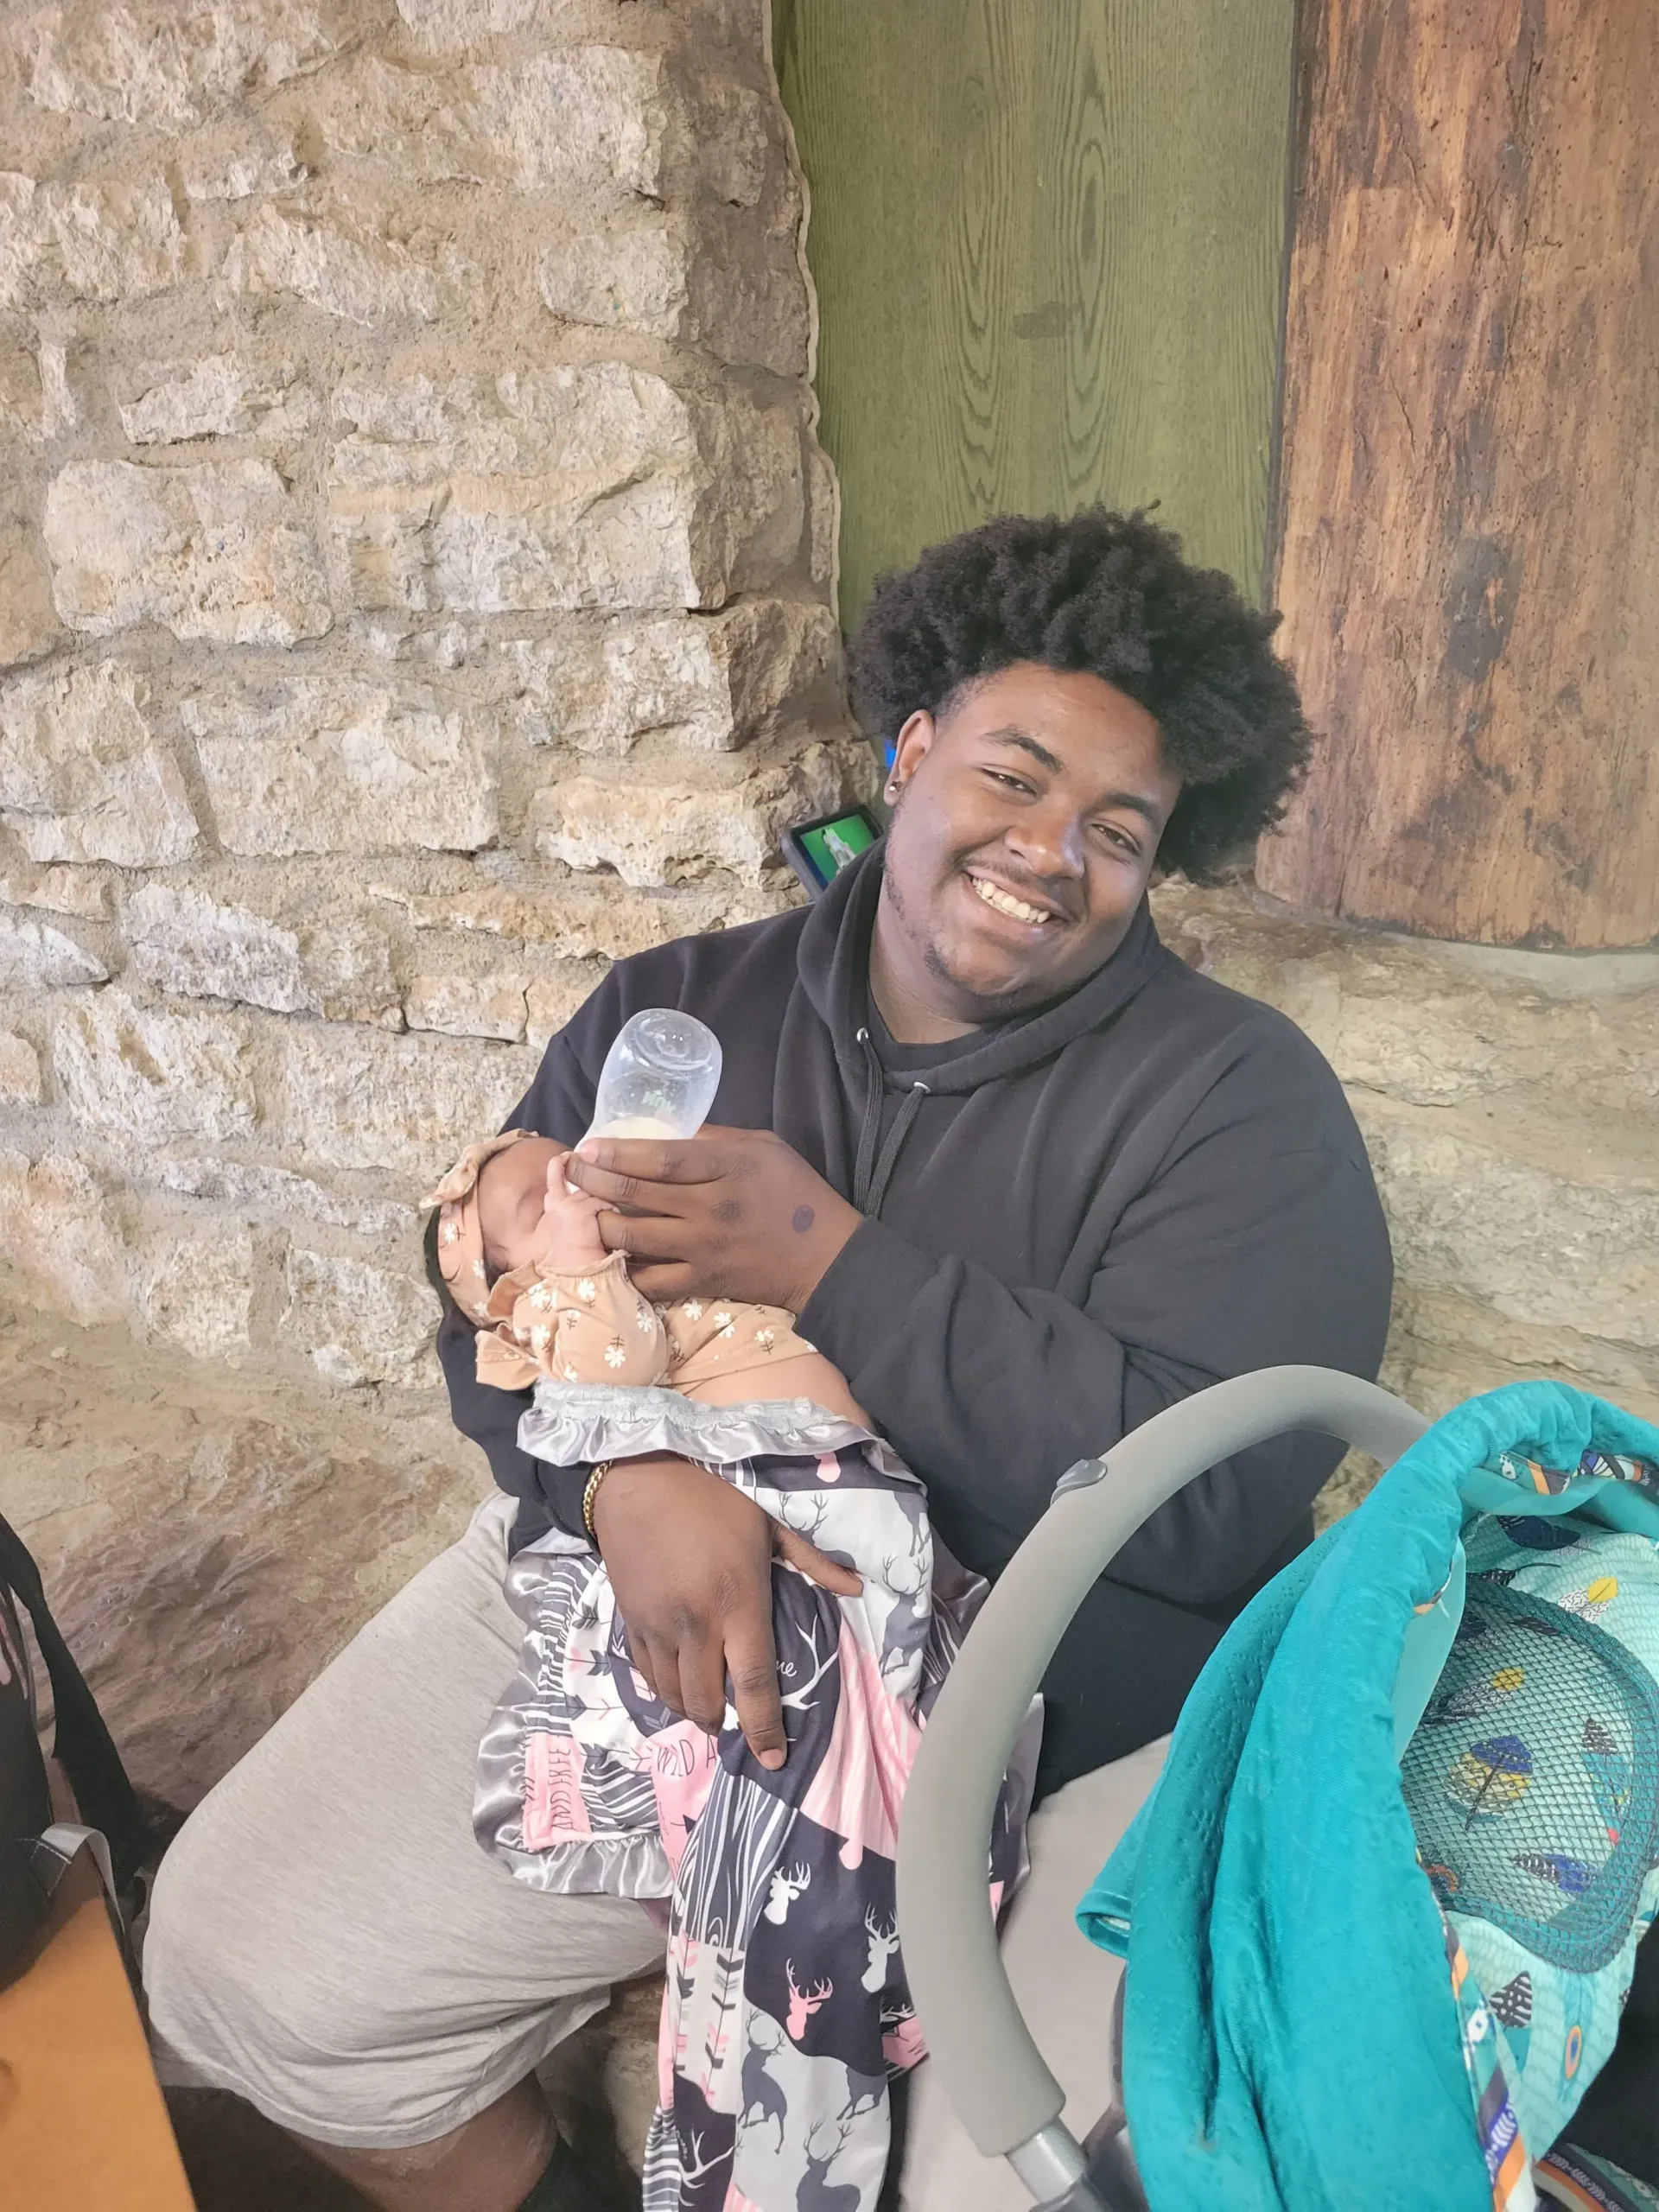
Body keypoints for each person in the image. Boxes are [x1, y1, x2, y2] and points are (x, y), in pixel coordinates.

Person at [143, 509, 1394, 2212]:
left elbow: (1211, 1504)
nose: (1052, 851)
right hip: (626, 1605)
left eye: (1120, 830)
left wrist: (828, 1260)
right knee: (236, 1959)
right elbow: (496, 1298)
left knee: (995, 2175)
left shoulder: (1237, 1102)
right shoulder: (678, 1007)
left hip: (1006, 1720)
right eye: (1015, 776)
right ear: (912, 748)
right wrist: (618, 1474)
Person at [430, 1129, 1035, 2211]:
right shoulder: (571, 1307)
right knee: (786, 1734)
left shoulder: (654, 1258)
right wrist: (582, 1275)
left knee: (869, 1688)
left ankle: (880, 1835)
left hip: (836, 1489)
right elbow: (606, 1377)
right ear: (510, 1294)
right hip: (769, 1510)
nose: (570, 1174)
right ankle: (784, 2072)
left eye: (562, 1157)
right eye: (534, 1204)